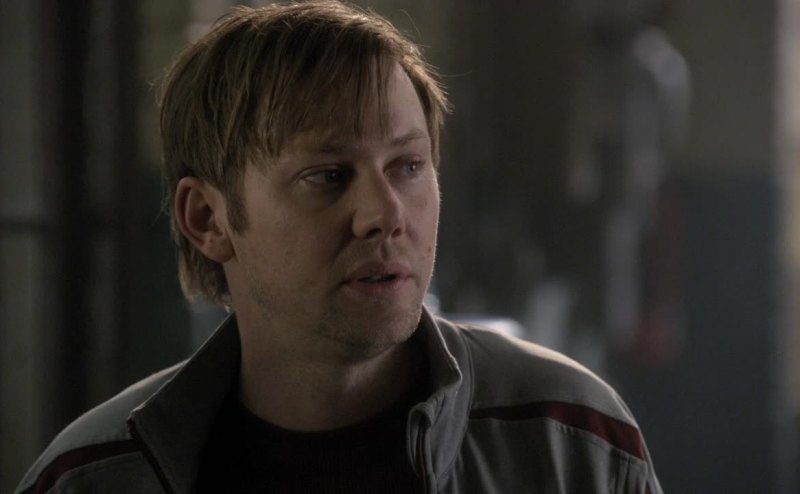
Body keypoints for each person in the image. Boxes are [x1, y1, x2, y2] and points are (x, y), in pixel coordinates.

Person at [16, 1, 662, 492]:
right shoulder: (97, 477)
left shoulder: (568, 441)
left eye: (408, 167)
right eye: (328, 176)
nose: (385, 214)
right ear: (208, 218)